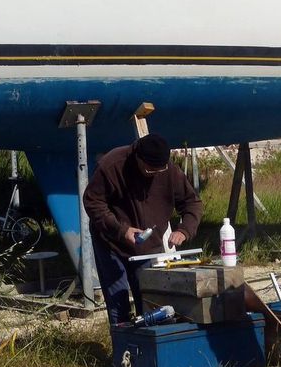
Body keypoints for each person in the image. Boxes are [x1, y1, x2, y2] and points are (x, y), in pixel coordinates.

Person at [83, 133, 203, 325]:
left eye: (160, 169)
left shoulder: (169, 171)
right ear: (138, 157)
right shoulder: (112, 164)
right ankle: (123, 351)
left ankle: (149, 350)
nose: (155, 173)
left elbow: (192, 203)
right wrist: (122, 230)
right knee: (118, 304)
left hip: (148, 247)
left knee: (150, 304)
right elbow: (93, 202)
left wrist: (184, 230)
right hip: (111, 242)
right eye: (150, 170)